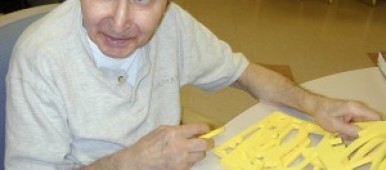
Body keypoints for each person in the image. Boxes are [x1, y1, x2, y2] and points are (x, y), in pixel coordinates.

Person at [5, 0, 382, 169]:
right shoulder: (40, 57)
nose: (119, 23)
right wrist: (130, 163)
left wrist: (317, 105)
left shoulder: (174, 24)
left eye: (143, 0)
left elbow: (244, 73)